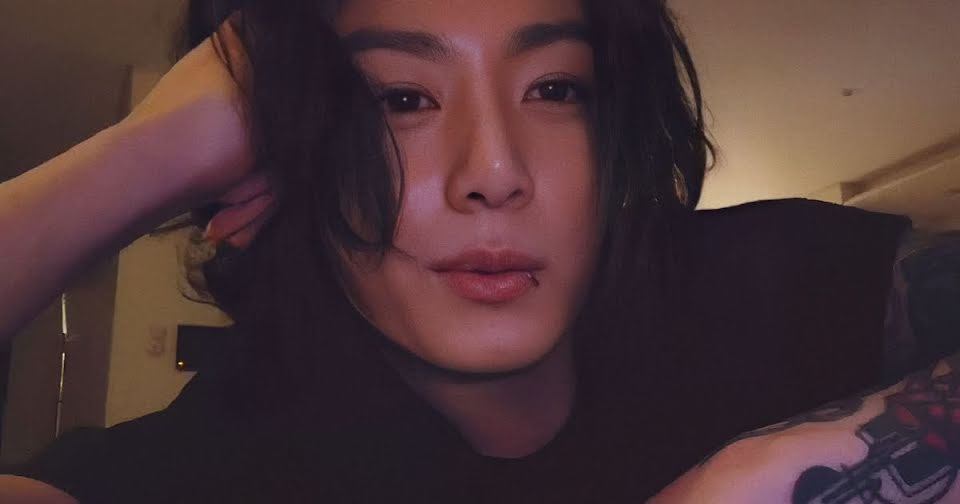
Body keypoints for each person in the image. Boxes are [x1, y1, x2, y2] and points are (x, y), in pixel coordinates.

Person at [0, 0, 957, 502]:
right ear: (289, 155)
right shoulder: (211, 466)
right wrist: (146, 156)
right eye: (400, 99)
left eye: (556, 90)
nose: (494, 173)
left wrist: (747, 483)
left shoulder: (768, 282)